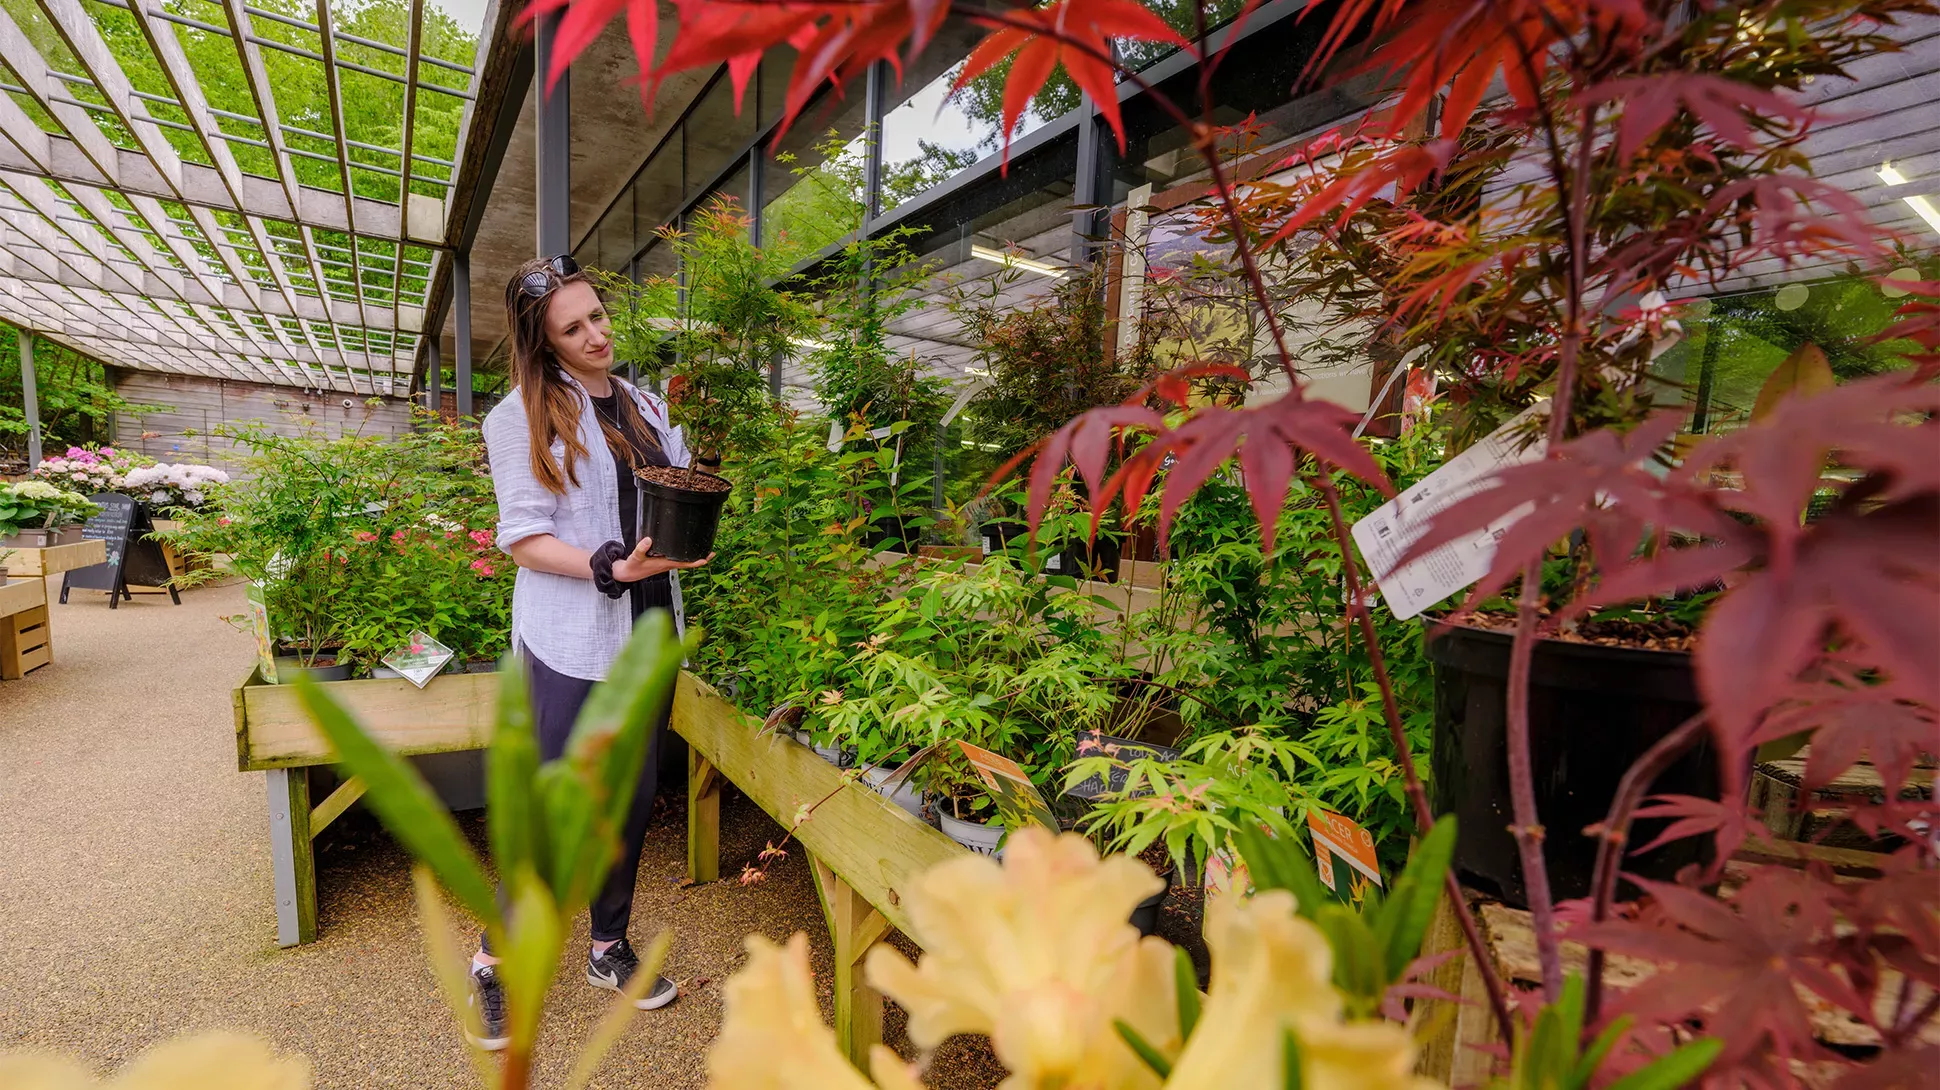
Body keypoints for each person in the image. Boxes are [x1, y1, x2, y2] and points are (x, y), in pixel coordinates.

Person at [470, 254, 712, 1050]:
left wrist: (686, 533)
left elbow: (667, 485)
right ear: (543, 342)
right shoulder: (519, 417)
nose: (596, 335)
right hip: (574, 638)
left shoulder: (639, 400)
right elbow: (524, 539)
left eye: (598, 316)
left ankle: (607, 948)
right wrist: (609, 564)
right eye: (573, 328)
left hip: (648, 630)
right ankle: (492, 959)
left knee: (632, 797)